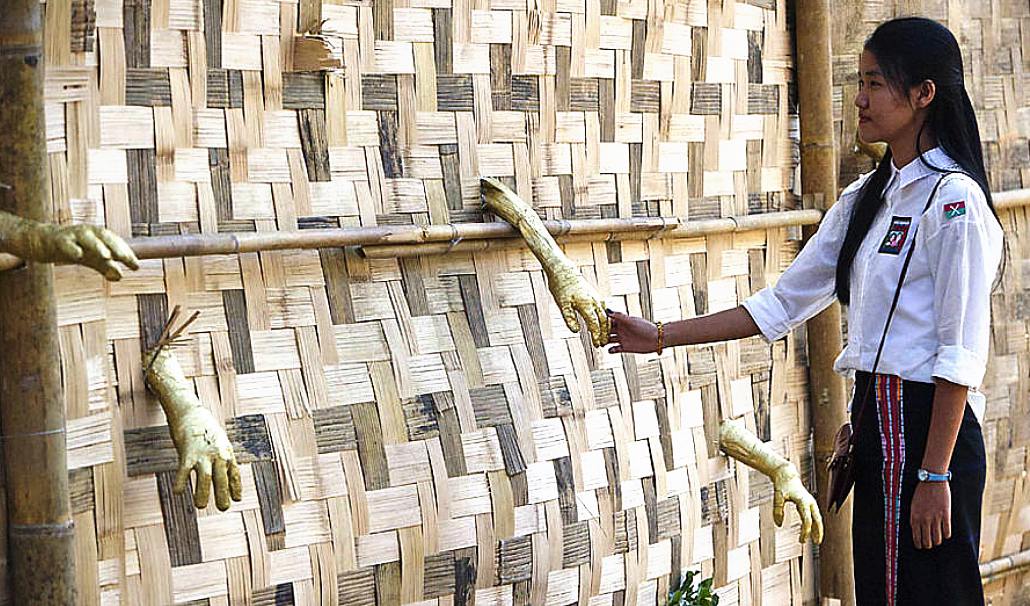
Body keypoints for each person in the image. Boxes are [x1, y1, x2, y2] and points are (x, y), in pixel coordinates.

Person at [607, 17, 1002, 606]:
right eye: (858, 81)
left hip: (928, 440)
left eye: (876, 82)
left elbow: (959, 355)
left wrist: (935, 474)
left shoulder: (955, 202)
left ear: (924, 94)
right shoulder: (866, 198)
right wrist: (660, 335)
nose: (860, 99)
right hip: (877, 431)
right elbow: (782, 302)